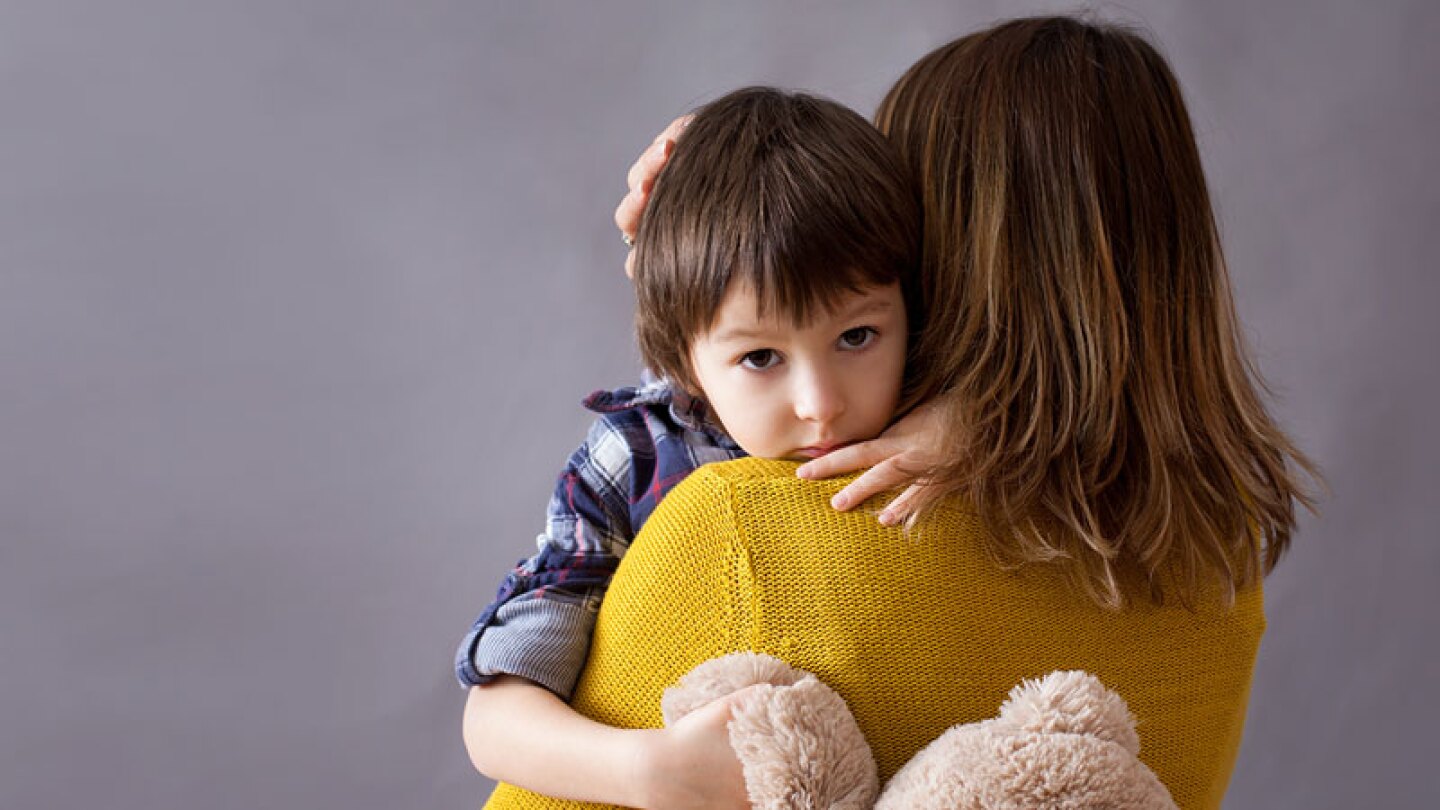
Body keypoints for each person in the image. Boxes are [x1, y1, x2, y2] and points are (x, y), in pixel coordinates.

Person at [476, 15, 1318, 810]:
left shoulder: (739, 528)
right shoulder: (1221, 560)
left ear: (933, 255)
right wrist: (730, 192)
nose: (817, 401)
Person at [457, 86, 925, 806]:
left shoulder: (930, 413)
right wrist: (652, 771)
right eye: (761, 358)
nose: (821, 404)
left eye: (857, 337)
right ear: (683, 359)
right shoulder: (639, 457)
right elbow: (495, 714)